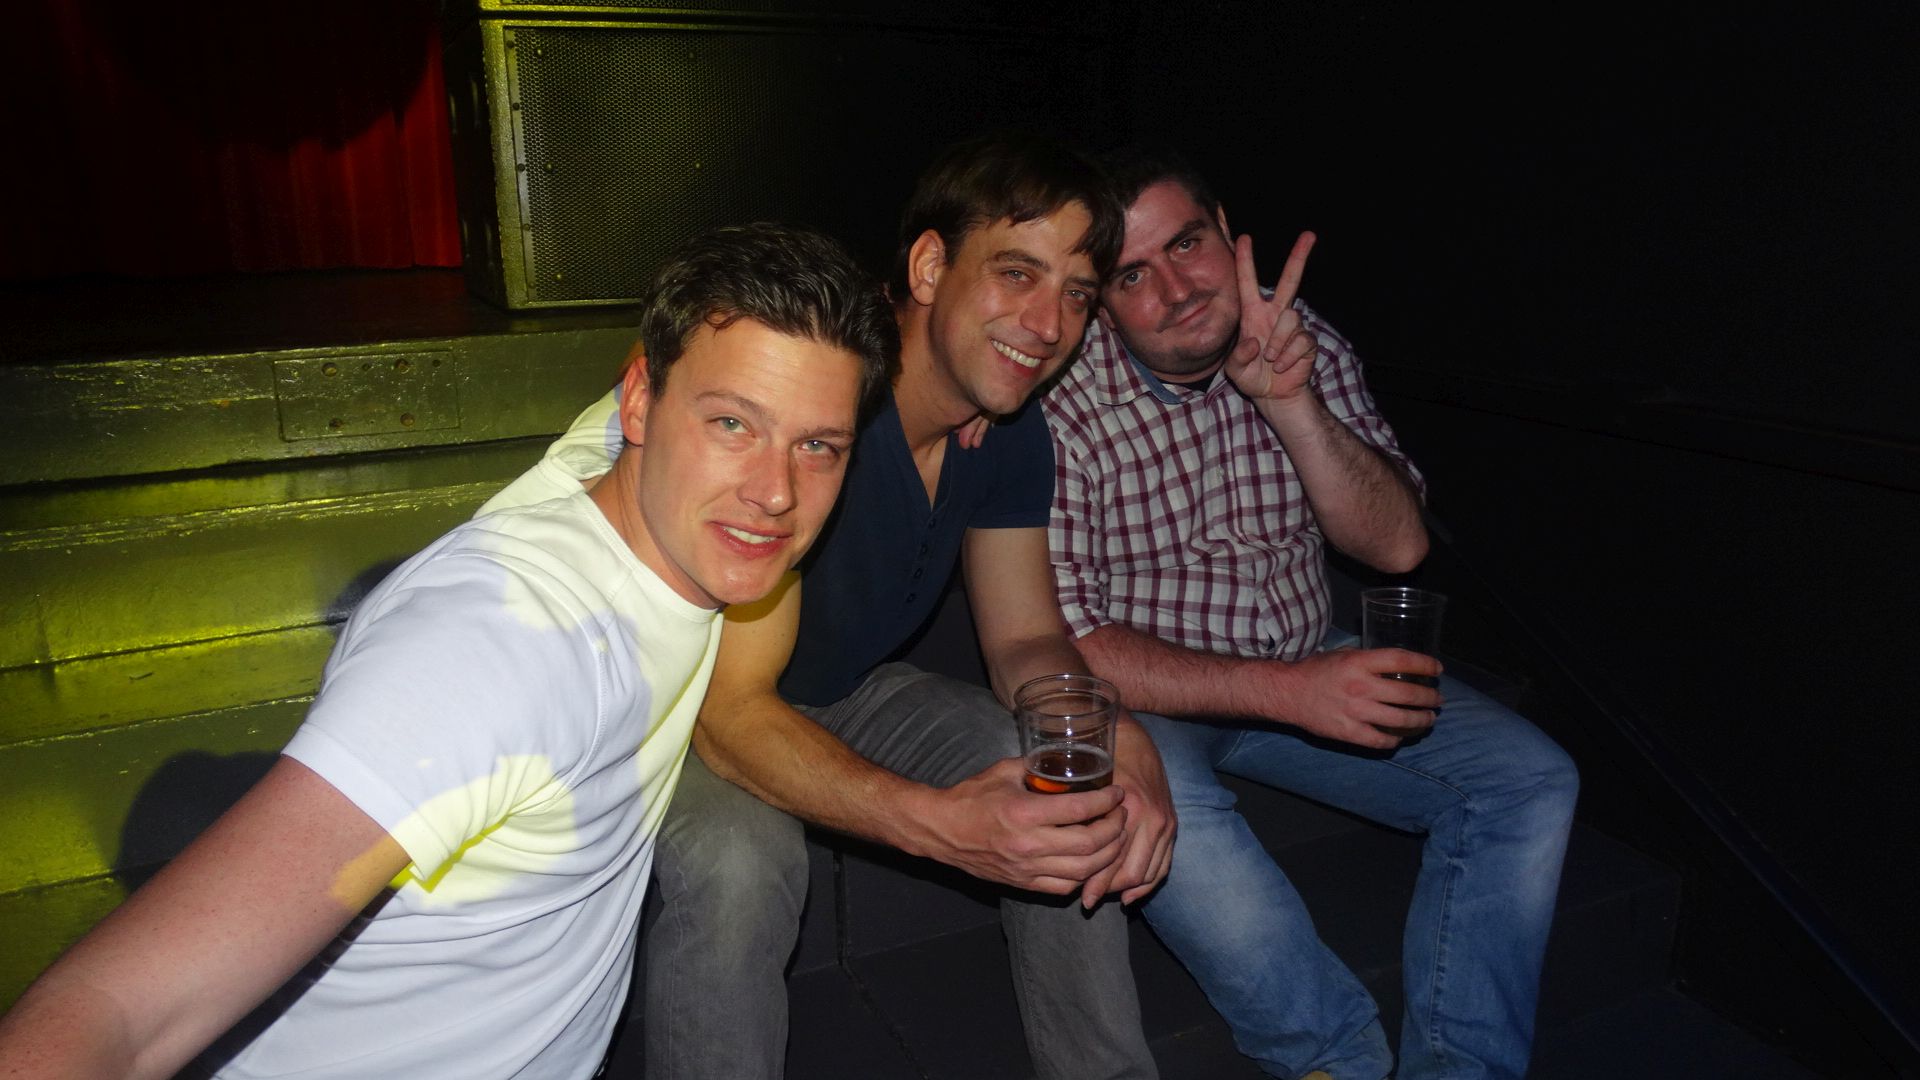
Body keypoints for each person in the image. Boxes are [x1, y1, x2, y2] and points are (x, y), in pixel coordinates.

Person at [0, 222, 896, 1080]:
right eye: (732, 425)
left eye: (817, 446)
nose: (775, 492)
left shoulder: (660, 508)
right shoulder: (500, 644)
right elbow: (120, 1016)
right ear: (637, 402)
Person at [489, 134, 1174, 1080]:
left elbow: (1025, 635)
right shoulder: (825, 401)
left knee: (1057, 780)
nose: (1047, 322)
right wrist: (942, 824)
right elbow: (733, 713)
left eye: (1078, 295)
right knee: (742, 860)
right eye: (1016, 273)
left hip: (840, 688)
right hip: (683, 701)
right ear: (928, 268)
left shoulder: (1008, 430)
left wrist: (1113, 734)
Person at [1041, 145, 1580, 1080]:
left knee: (1530, 780)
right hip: (1154, 691)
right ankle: (1337, 1061)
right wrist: (1289, 692)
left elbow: (1398, 547)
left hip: (1303, 650)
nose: (1175, 289)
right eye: (1131, 275)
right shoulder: (1066, 399)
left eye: (1188, 244)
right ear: (1101, 301)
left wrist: (1291, 404)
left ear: (1227, 231)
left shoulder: (1297, 336)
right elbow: (1072, 638)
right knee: (1144, 792)